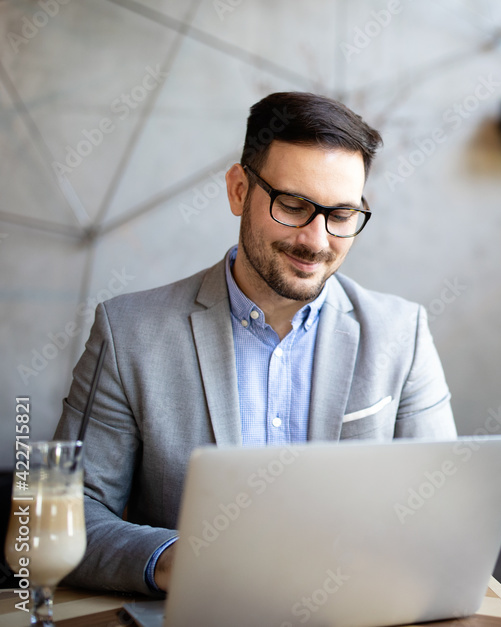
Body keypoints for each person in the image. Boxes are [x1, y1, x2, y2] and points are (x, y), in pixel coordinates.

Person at [52, 92, 457, 595]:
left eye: (342, 214)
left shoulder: (403, 334)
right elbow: (64, 517)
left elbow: (443, 513)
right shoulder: (129, 332)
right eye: (293, 205)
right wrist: (181, 561)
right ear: (239, 190)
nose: (317, 240)